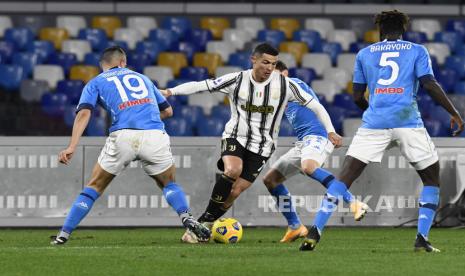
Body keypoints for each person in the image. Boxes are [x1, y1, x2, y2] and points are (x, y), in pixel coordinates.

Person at [300, 10, 464, 252]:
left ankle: (315, 231)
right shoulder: (417, 50)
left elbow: (357, 96)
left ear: (380, 30)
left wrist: (373, 111)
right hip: (408, 122)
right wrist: (454, 112)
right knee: (431, 179)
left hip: (374, 124)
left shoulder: (365, 54)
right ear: (403, 29)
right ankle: (422, 239)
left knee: (345, 177)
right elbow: (429, 83)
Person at [162, 43, 342, 243]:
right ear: (253, 60)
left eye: (273, 64)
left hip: (262, 147)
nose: (269, 68)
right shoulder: (237, 79)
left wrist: (331, 131)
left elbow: (315, 105)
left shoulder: (285, 85)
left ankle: (203, 224)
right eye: (265, 62)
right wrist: (170, 92)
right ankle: (201, 227)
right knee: (232, 170)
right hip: (236, 137)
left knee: (235, 191)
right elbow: (202, 85)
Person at [51, 46, 211, 245]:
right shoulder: (143, 78)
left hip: (123, 136)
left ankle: (63, 235)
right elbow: (168, 111)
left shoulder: (96, 82)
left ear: (103, 65)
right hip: (154, 135)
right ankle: (185, 216)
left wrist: (71, 146)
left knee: (94, 186)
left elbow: (84, 113)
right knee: (168, 183)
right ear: (123, 62)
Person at [262, 61, 368, 243]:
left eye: (275, 74)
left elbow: (318, 107)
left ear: (285, 73)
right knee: (270, 180)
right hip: (303, 142)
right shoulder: (276, 96)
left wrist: (330, 131)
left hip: (318, 136)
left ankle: (354, 202)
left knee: (309, 166)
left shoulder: (294, 84)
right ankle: (295, 226)